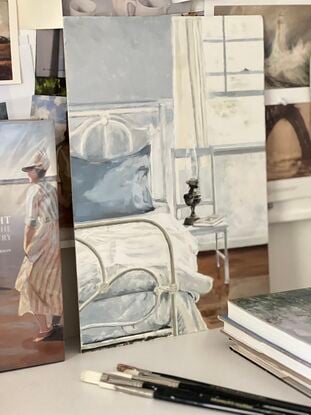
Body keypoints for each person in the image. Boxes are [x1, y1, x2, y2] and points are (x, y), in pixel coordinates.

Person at [15, 150, 63, 342]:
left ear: (38, 170)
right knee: (52, 278)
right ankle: (55, 321)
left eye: (30, 170)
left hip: (44, 235)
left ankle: (45, 328)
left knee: (29, 280)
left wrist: (26, 245)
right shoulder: (50, 188)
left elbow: (31, 223)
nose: (27, 173)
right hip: (55, 234)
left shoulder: (34, 191)